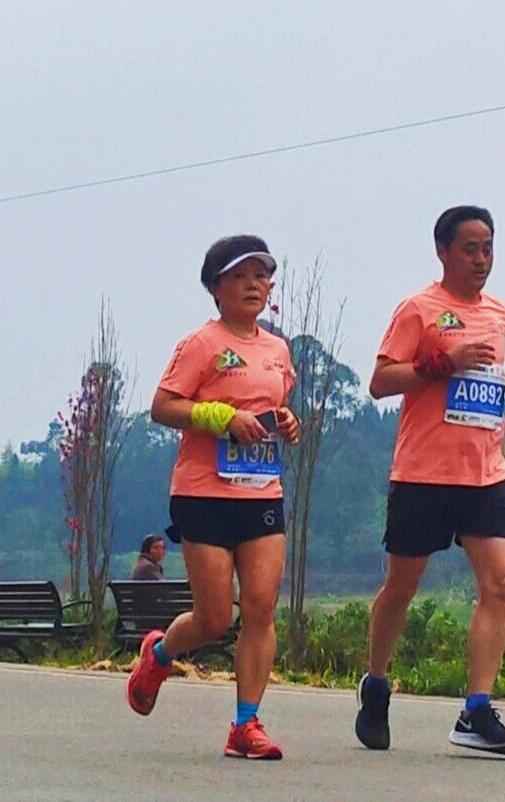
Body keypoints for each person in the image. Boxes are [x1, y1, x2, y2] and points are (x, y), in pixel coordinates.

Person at [355, 206, 505, 756]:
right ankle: (376, 685)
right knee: (402, 586)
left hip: (485, 471)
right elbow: (380, 381)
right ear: (442, 251)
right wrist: (441, 363)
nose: (481, 259)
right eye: (470, 249)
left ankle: (475, 710)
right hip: (424, 473)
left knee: (500, 584)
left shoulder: (499, 312)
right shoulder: (419, 309)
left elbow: (479, 383)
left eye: (488, 248)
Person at [127, 235, 299, 760]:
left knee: (261, 607)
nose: (253, 285)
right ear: (216, 288)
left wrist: (287, 422)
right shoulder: (201, 344)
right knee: (214, 619)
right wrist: (221, 416)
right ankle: (159, 653)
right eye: (239, 276)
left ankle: (245, 725)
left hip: (261, 491)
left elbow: (274, 407)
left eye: (261, 276)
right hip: (204, 493)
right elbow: (163, 406)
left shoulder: (277, 350)